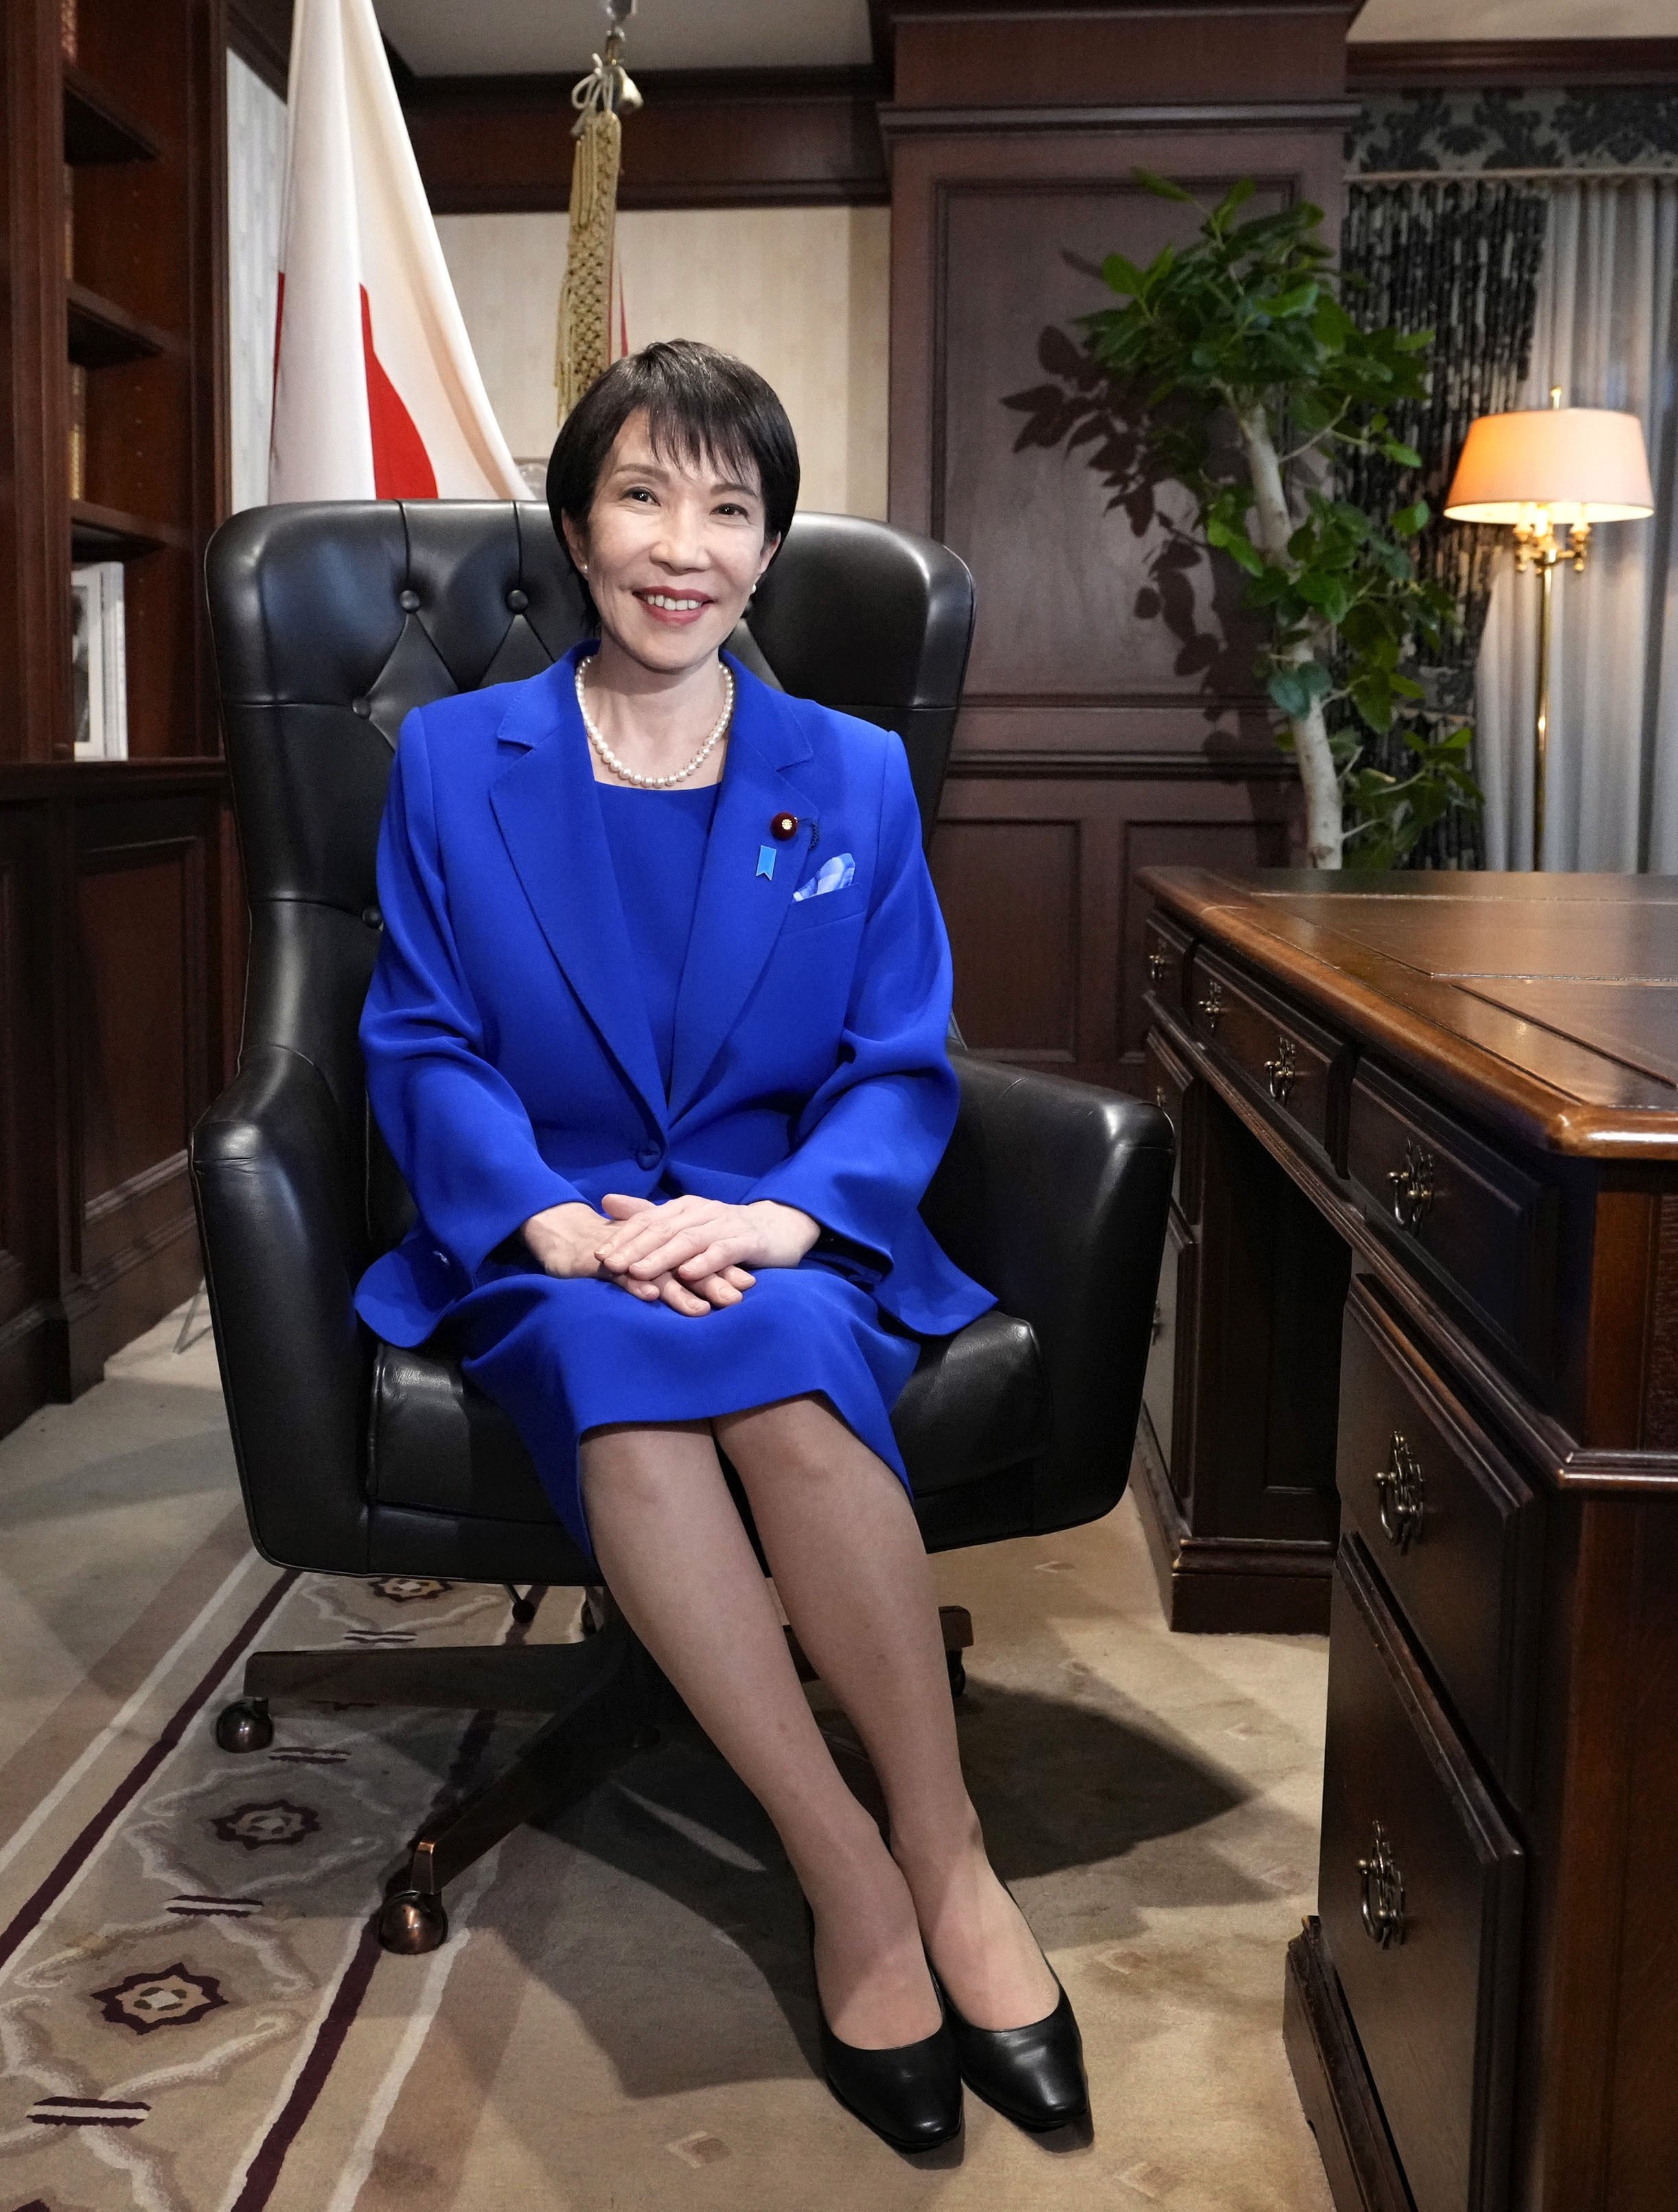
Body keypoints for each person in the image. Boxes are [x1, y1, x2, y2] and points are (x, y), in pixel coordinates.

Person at [353, 339, 1088, 2151]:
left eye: (728, 508)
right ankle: (848, 1869)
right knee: (614, 1356)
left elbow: (900, 1059)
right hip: (551, 1221)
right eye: (640, 495)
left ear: (766, 553)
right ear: (575, 523)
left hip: (781, 1211)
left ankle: (949, 1850)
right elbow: (420, 1039)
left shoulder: (844, 774)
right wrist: (554, 1222)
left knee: (780, 1357)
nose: (681, 544)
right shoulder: (454, 763)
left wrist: (775, 1217)